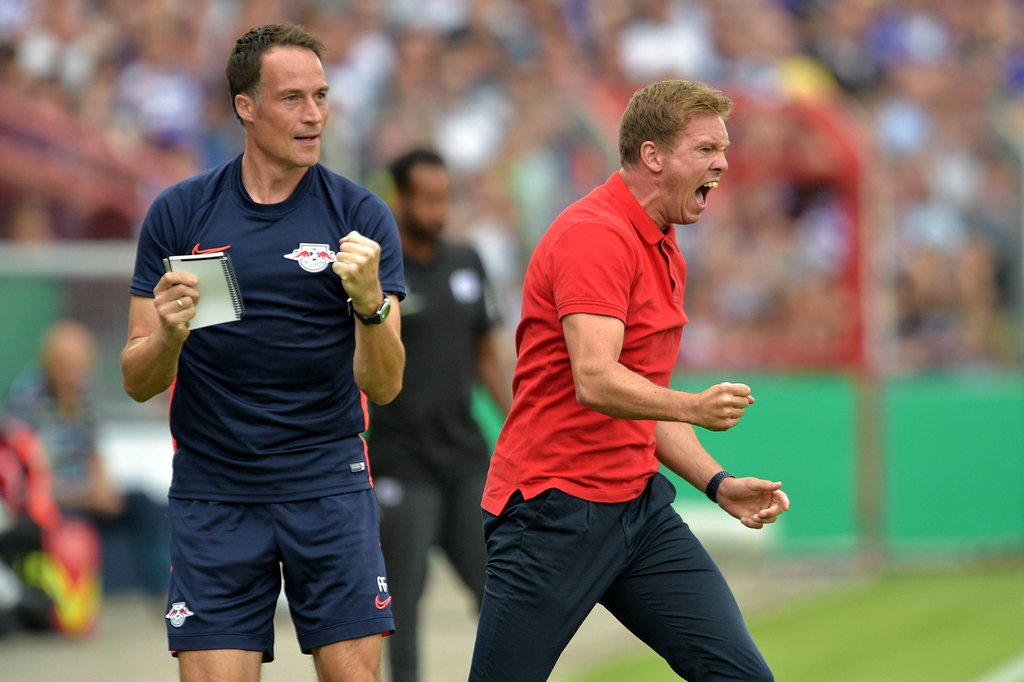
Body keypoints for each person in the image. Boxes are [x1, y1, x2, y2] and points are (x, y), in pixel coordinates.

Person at [469, 79, 791, 682]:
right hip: (552, 511)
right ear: (653, 156)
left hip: (635, 510)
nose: (722, 163)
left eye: (723, 149)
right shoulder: (595, 236)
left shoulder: (665, 245)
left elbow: (640, 403)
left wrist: (717, 483)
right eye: (705, 149)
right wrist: (693, 406)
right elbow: (596, 379)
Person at [120, 23, 405, 682]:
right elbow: (137, 379)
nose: (314, 116)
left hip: (329, 487)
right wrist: (168, 332)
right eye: (293, 99)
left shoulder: (360, 217)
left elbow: (386, 385)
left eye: (322, 97)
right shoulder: (178, 214)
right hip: (215, 495)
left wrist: (370, 303)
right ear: (245, 107)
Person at [369, 149, 511, 682]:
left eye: (444, 198)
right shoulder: (378, 273)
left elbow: (487, 357)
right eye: (426, 199)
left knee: (502, 592)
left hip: (466, 459)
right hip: (401, 464)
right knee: (402, 607)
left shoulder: (466, 262)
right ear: (399, 199)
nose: (437, 210)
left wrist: (521, 426)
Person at [5, 320, 168, 597]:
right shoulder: (28, 399)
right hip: (51, 502)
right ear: (50, 363)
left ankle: (164, 591)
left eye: (81, 365)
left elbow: (93, 448)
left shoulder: (86, 393)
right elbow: (27, 468)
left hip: (86, 493)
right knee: (68, 527)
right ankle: (72, 603)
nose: (76, 373)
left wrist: (103, 488)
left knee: (145, 505)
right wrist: (77, 495)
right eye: (68, 366)